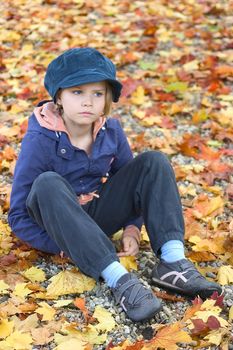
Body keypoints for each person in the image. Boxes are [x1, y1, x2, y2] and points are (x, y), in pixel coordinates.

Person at [8, 47, 222, 322]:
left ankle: (172, 262)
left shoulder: (111, 130)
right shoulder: (40, 138)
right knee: (47, 183)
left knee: (153, 162)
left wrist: (132, 229)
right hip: (59, 220)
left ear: (107, 97)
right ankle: (118, 279)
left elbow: (134, 185)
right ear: (59, 95)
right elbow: (18, 215)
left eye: (97, 93)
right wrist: (66, 245)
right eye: (77, 92)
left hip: (96, 214)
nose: (88, 102)